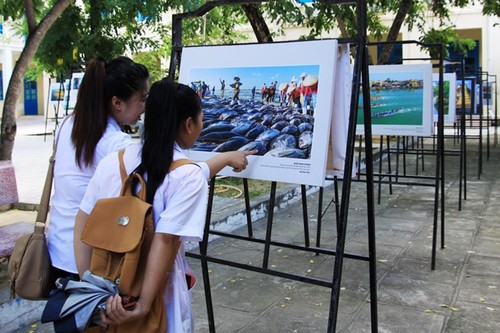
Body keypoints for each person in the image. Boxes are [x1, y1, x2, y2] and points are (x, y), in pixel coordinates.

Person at [48, 56, 253, 284]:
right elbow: (178, 176)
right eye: (142, 99)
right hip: (93, 257)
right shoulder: (117, 144)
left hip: (59, 247)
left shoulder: (69, 123)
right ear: (117, 103)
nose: (145, 108)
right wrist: (224, 158)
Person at [74, 78, 254, 332]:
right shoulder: (186, 176)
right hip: (158, 292)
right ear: (189, 124)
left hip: (106, 286)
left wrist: (89, 288)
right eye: (201, 119)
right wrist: (144, 305)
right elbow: (166, 240)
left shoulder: (114, 161)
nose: (202, 125)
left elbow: (82, 221)